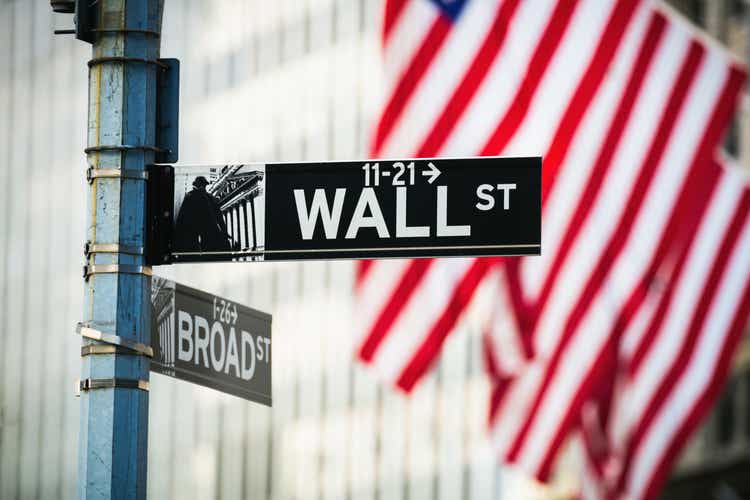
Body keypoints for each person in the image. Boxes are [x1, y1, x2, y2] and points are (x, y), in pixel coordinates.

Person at [174, 176, 232, 253]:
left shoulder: (196, 196)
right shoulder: (204, 197)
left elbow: (219, 216)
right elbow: (219, 216)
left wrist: (224, 231)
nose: (203, 187)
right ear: (197, 185)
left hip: (203, 230)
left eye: (203, 185)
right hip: (199, 230)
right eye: (201, 185)